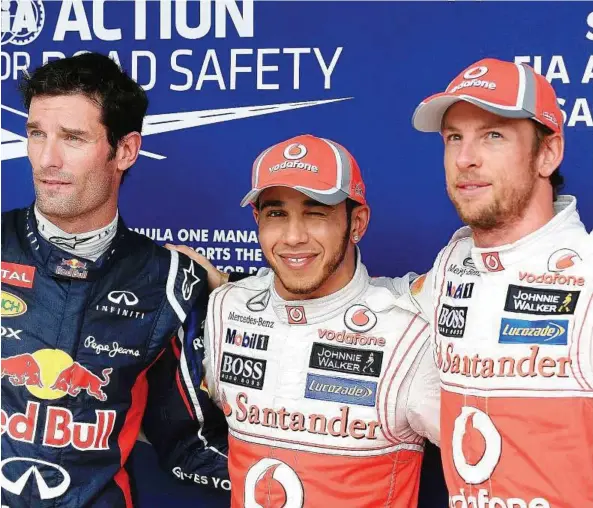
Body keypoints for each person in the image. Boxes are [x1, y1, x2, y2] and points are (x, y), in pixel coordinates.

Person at [0, 52, 228, 507]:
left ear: (124, 150)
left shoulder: (170, 281)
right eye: (36, 134)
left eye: (73, 138)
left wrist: (309, 482)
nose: (47, 159)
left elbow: (188, 441)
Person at [172, 134, 440, 507]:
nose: (293, 237)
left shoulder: (409, 331)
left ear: (357, 222)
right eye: (276, 214)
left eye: (316, 213)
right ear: (257, 220)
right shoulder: (226, 308)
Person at [408, 57, 593, 507]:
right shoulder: (453, 263)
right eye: (455, 138)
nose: (466, 158)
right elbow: (379, 306)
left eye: (493, 135)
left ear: (547, 153)